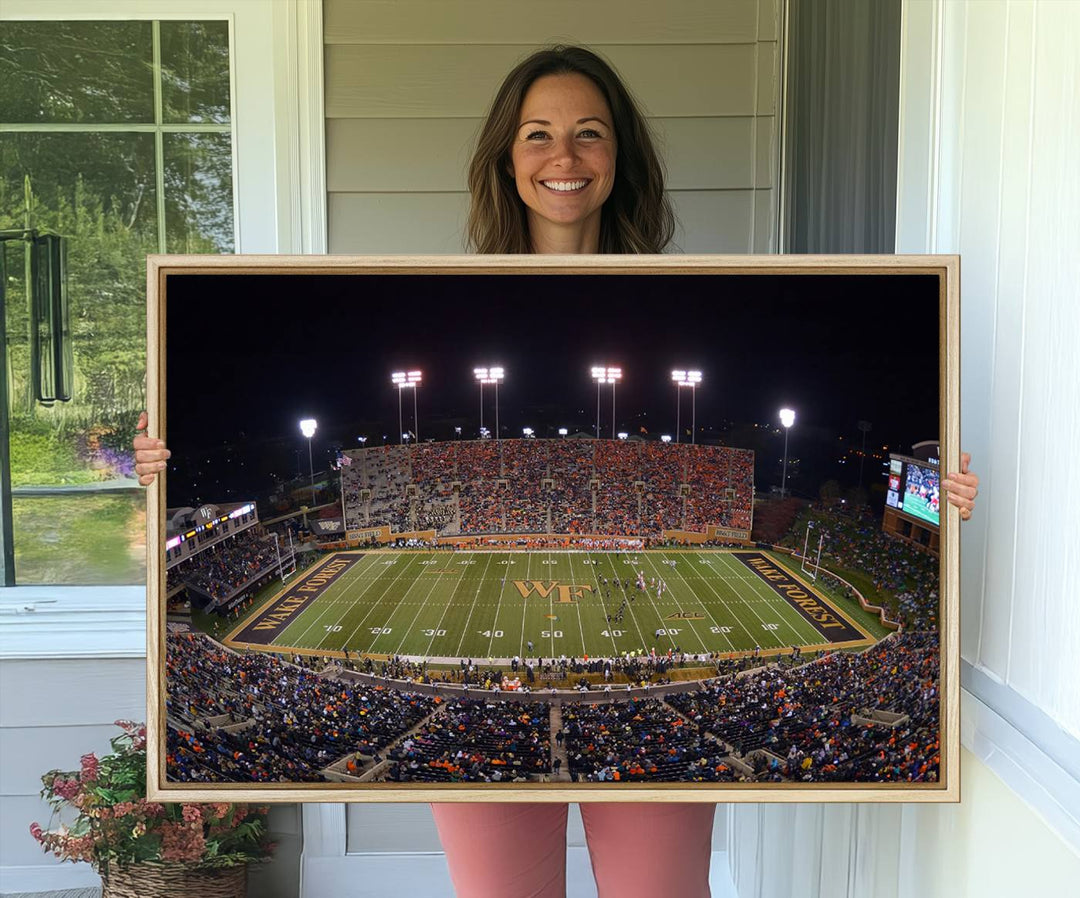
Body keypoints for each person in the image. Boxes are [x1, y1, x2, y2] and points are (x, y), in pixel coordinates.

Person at [135, 44, 980, 898]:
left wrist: (940, 500)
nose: (563, 157)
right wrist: (158, 468)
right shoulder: (445, 295)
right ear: (507, 157)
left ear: (621, 158)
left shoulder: (681, 293)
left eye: (589, 134)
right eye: (538, 134)